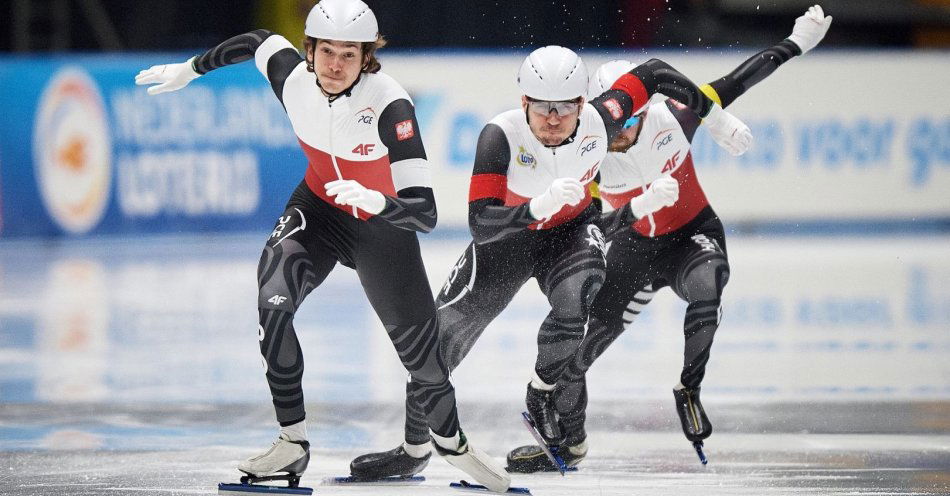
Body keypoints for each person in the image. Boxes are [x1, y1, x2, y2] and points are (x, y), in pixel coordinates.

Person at [134, 0, 511, 491]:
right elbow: (256, 42)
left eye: (349, 55)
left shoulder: (392, 105)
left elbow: (426, 212)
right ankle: (291, 441)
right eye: (326, 52)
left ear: (367, 57)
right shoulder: (292, 78)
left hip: (383, 228)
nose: (335, 65)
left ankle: (451, 444)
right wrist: (191, 69)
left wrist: (376, 202)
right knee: (273, 304)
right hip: (317, 211)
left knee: (423, 360)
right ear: (309, 51)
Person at [349, 44, 753, 480]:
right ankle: (413, 449)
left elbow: (654, 71)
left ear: (584, 104)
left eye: (565, 108)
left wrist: (716, 118)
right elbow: (481, 223)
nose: (554, 119)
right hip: (507, 240)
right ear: (524, 102)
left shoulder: (604, 117)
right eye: (542, 108)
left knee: (580, 290)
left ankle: (553, 412)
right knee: (439, 342)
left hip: (569, 235)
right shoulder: (498, 135)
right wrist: (535, 208)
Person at [506, 5, 833, 472]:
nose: (621, 134)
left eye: (630, 122)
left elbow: (739, 79)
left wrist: (796, 42)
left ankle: (689, 388)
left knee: (709, 280)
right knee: (573, 360)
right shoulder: (589, 158)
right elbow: (592, 229)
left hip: (691, 237)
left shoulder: (677, 115)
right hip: (634, 251)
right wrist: (635, 209)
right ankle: (570, 444)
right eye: (613, 127)